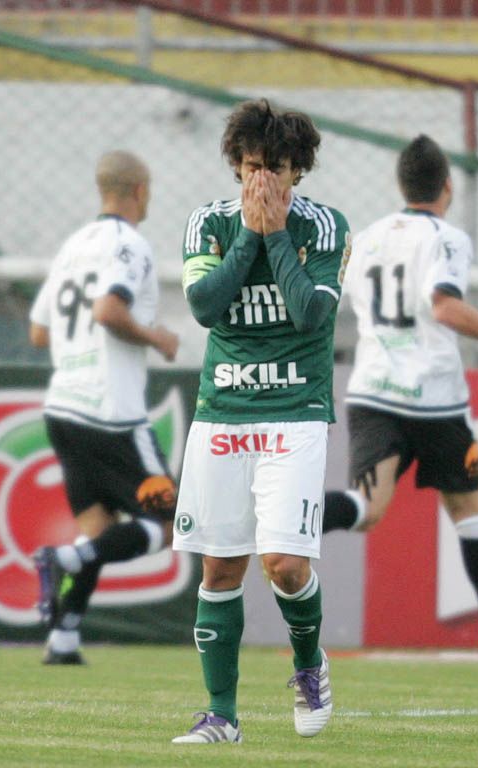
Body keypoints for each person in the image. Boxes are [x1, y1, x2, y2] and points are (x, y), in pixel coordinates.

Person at [322, 134, 478, 670]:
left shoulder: (366, 238)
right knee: (469, 512)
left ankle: (293, 519)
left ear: (401, 184)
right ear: (447, 185)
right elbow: (445, 308)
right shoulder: (447, 237)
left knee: (367, 509)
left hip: (375, 392)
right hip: (434, 398)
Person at [171, 98, 351, 745]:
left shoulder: (325, 228)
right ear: (235, 165)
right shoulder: (207, 225)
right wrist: (250, 232)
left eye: (275, 169)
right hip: (222, 413)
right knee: (220, 569)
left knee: (284, 564)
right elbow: (204, 305)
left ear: (298, 170)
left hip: (295, 410)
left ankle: (309, 665)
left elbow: (309, 315)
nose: (262, 182)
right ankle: (222, 714)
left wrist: (275, 234)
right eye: (252, 167)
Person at [29, 150, 179, 665]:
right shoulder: (129, 245)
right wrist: (155, 337)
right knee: (172, 523)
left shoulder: (73, 246)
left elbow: (38, 330)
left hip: (64, 409)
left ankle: (63, 636)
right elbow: (108, 309)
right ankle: (65, 558)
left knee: (98, 523)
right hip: (110, 411)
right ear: (139, 189)